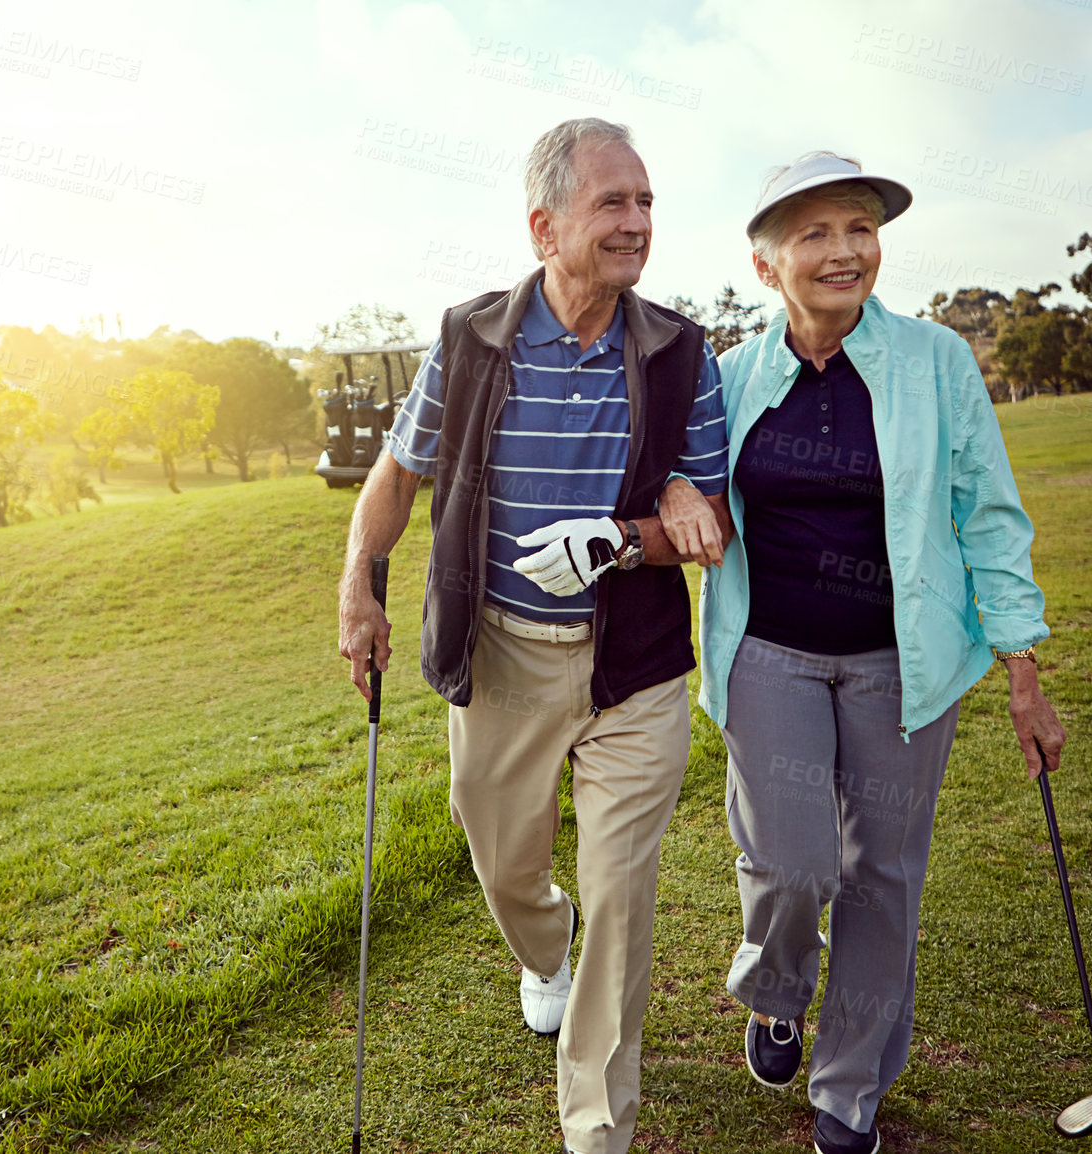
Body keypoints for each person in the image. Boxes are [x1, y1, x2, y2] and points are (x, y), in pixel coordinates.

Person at [337, 117, 733, 1154]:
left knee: (621, 892)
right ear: (542, 225)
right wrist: (358, 584)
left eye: (645, 202)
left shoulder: (683, 351)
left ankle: (595, 1127)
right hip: (503, 652)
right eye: (612, 203)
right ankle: (540, 950)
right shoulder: (470, 342)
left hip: (632, 666)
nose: (637, 222)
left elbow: (710, 521)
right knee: (507, 861)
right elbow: (397, 471)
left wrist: (620, 540)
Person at [697, 152, 1069, 1154]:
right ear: (766, 262)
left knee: (881, 878)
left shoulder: (936, 361)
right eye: (813, 232)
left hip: (901, 663)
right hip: (769, 649)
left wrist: (1022, 669)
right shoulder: (728, 376)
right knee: (790, 861)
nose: (843, 250)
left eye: (858, 228)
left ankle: (848, 1088)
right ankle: (775, 988)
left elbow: (986, 513)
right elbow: (679, 489)